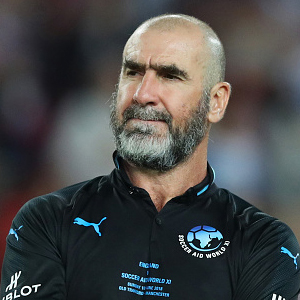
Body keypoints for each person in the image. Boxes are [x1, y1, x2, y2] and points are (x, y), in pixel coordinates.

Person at [1, 13, 299, 300]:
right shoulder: (47, 221)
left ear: (216, 102)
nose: (143, 94)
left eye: (170, 76)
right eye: (133, 72)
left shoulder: (263, 242)